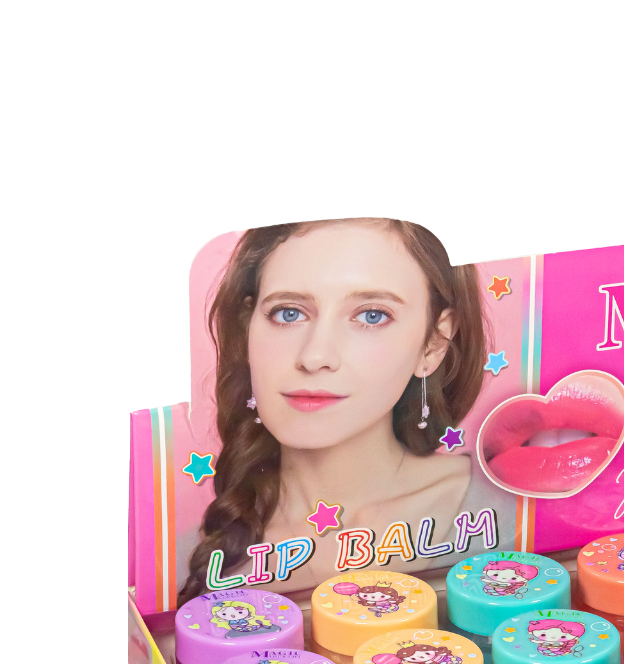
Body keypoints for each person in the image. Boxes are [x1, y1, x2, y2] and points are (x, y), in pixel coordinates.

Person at [180, 218, 488, 600]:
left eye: (372, 315)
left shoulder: (509, 506)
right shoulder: (189, 560)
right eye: (288, 313)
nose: (314, 357)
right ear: (247, 331)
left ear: (433, 344)